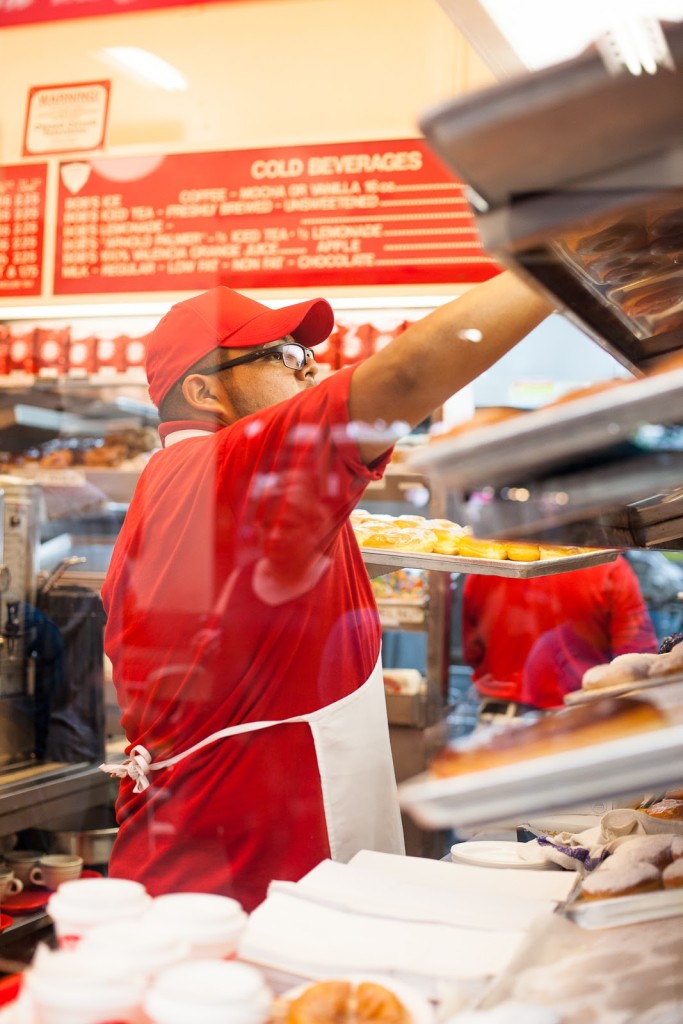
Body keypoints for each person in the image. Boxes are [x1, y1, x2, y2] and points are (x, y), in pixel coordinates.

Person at [100, 272, 553, 910]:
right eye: (286, 358)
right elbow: (401, 379)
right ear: (204, 390)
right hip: (243, 881)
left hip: (230, 853)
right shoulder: (220, 468)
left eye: (309, 357)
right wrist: (553, 259)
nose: (311, 373)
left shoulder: (209, 486)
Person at [461, 556, 658, 720]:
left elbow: (472, 653)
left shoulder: (485, 566)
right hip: (578, 724)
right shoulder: (609, 567)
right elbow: (636, 663)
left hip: (500, 723)